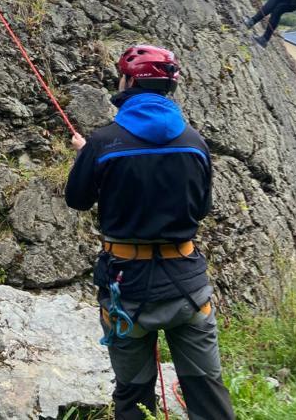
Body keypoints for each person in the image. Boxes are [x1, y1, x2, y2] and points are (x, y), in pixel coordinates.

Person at [65, 44, 235, 420]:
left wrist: (87, 157)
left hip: (127, 288)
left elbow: (77, 200)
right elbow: (201, 209)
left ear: (127, 82)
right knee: (208, 393)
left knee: (133, 397)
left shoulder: (103, 142)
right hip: (188, 285)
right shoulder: (195, 143)